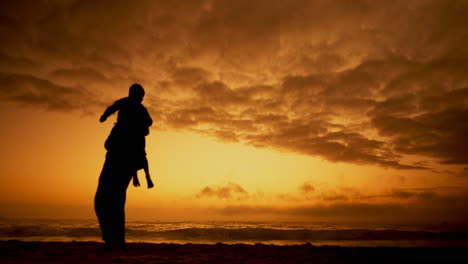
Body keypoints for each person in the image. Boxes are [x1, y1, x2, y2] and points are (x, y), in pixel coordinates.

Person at [95, 83, 153, 250]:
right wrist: (105, 116)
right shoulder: (131, 105)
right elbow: (113, 108)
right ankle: (114, 239)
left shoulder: (139, 109)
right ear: (133, 94)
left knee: (109, 198)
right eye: (139, 96)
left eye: (141, 97)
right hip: (119, 153)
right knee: (110, 198)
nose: (140, 99)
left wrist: (108, 117)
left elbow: (148, 123)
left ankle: (115, 240)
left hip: (123, 156)